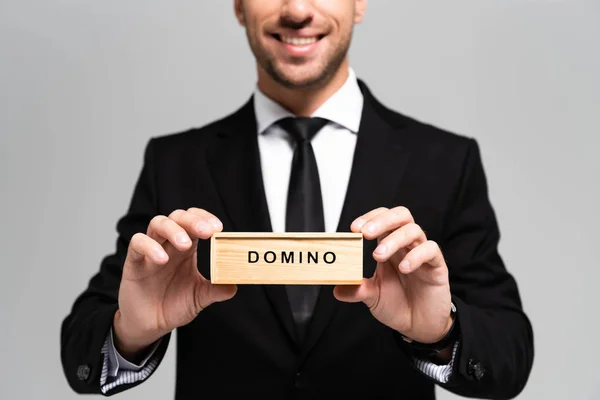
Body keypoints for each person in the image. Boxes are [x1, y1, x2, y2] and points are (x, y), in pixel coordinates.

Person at [60, 1, 534, 398]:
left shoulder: (446, 161)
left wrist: (441, 334)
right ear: (239, 6)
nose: (298, 10)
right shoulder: (175, 162)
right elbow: (81, 353)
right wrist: (132, 331)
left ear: (360, 2)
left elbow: (509, 354)